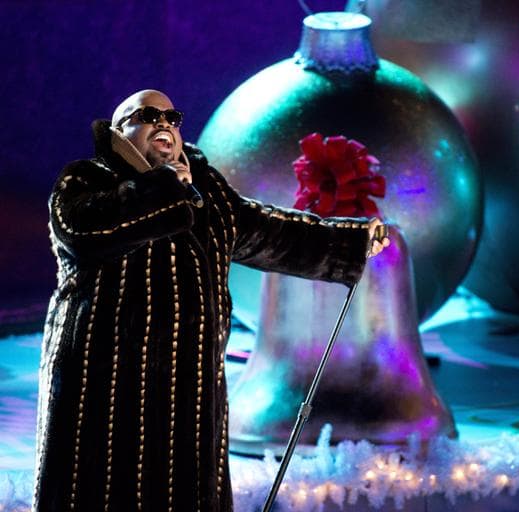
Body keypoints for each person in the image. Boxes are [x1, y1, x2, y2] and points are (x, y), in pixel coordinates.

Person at [33, 89, 389, 511]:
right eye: (148, 114)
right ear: (119, 132)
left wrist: (348, 241)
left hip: (189, 395)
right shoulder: (86, 181)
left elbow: (271, 233)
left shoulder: (208, 192)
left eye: (173, 116)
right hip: (105, 393)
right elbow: (87, 232)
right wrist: (165, 189)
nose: (164, 122)